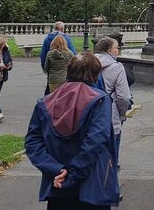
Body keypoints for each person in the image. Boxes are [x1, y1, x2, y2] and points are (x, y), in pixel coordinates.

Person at [25, 52, 119, 209]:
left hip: (57, 183)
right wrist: (72, 174)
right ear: (96, 75)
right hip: (92, 183)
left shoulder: (45, 102)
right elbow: (95, 141)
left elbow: (32, 142)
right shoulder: (100, 100)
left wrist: (56, 169)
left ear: (69, 71)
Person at [94, 37, 132, 171]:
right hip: (110, 113)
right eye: (117, 47)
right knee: (112, 151)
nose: (118, 50)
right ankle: (110, 184)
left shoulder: (87, 63)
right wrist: (122, 113)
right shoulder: (117, 67)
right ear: (110, 50)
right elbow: (124, 97)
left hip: (89, 113)